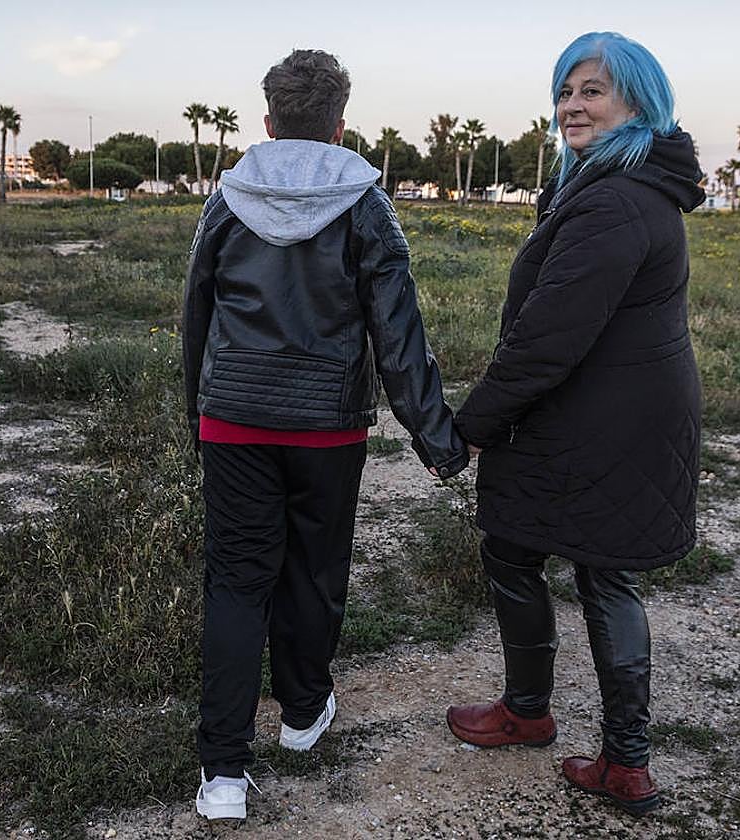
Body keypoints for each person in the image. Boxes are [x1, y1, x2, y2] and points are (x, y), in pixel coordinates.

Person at [183, 48, 468, 821]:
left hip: (233, 424)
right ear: (341, 127)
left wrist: (195, 417)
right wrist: (437, 439)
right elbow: (399, 334)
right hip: (326, 432)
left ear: (268, 121)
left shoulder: (226, 198)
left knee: (237, 586)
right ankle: (305, 714)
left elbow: (197, 315)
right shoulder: (366, 205)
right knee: (313, 573)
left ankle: (224, 778)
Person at [446, 31, 705, 817]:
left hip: (605, 418)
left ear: (638, 100)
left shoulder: (618, 198)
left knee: (603, 569)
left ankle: (625, 762)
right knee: (514, 546)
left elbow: (547, 337)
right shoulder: (609, 185)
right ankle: (529, 711)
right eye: (565, 91)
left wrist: (473, 426)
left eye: (591, 90)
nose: (571, 106)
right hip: (593, 410)